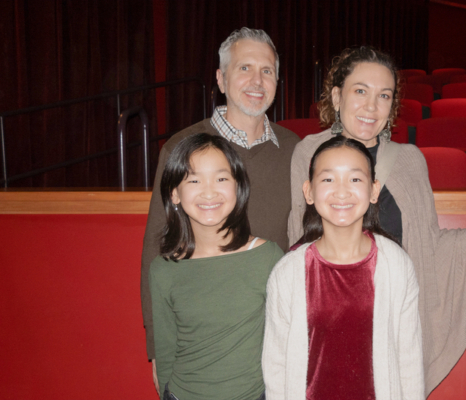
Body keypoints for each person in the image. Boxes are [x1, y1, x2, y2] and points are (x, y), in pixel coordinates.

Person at [287, 46, 466, 395]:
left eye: (384, 95)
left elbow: (429, 245)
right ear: (336, 96)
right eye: (360, 91)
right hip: (330, 314)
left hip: (394, 315)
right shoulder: (309, 152)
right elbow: (300, 236)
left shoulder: (409, 160)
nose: (371, 106)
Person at [141, 27, 300, 390]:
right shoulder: (181, 148)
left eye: (267, 71)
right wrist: (157, 346)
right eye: (245, 68)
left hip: (272, 334)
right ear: (220, 78)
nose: (257, 81)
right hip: (202, 338)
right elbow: (157, 243)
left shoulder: (295, 149)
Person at [263, 136, 424, 400]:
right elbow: (275, 365)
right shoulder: (288, 271)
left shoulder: (395, 264)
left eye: (355, 179)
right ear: (309, 191)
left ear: (374, 190)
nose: (341, 191)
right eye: (328, 179)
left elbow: (409, 358)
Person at [151, 133, 283, 400]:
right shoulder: (163, 268)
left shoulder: (267, 257)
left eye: (221, 179)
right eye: (194, 180)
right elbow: (165, 348)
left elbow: (285, 341)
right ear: (174, 193)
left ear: (238, 187)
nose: (209, 191)